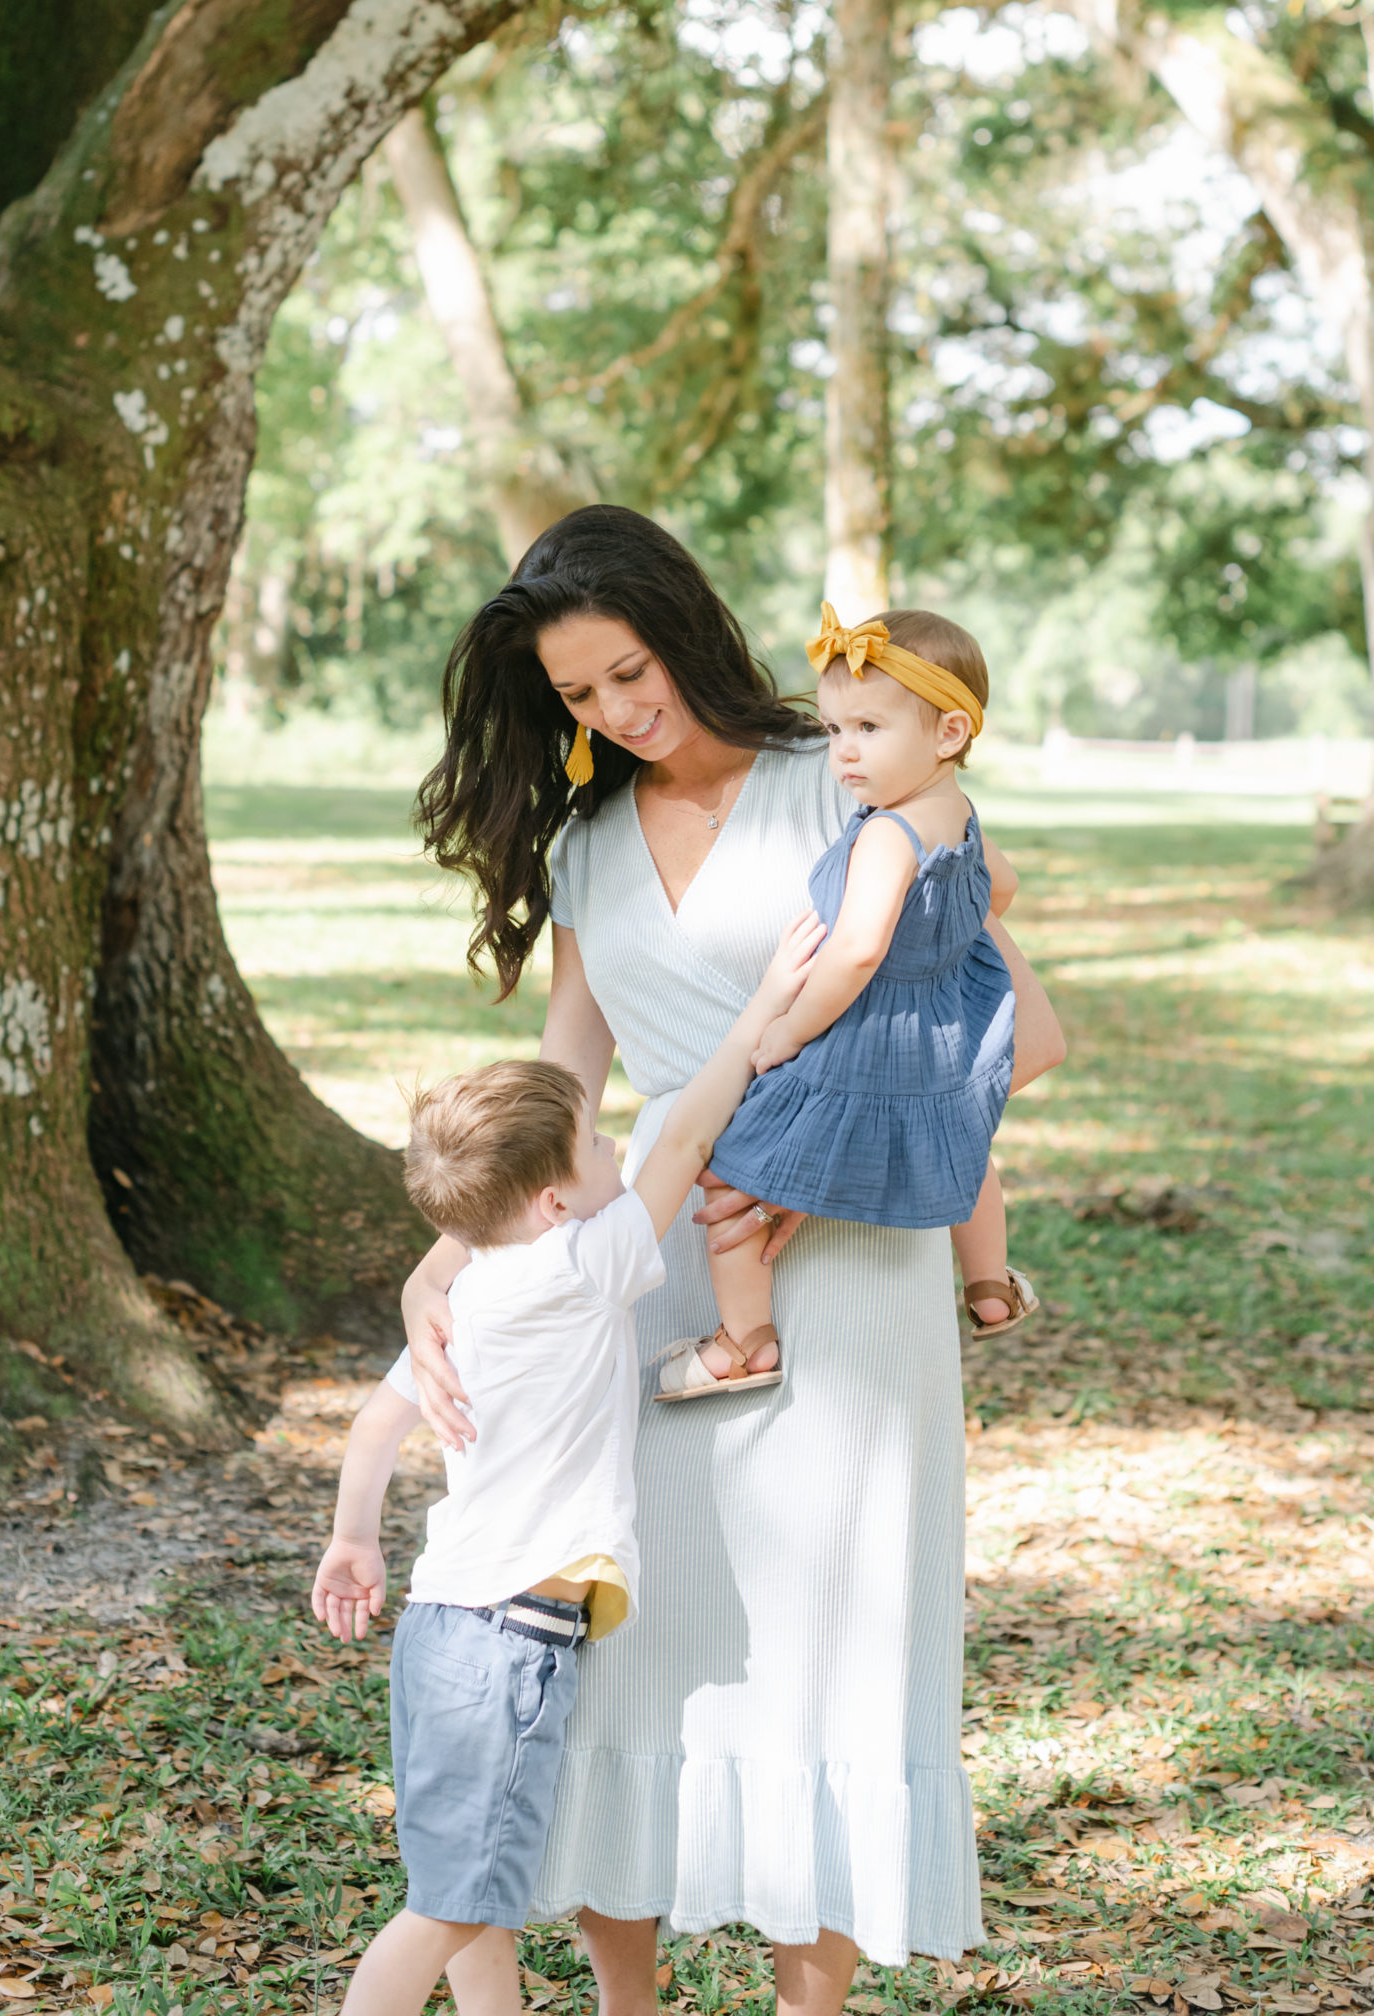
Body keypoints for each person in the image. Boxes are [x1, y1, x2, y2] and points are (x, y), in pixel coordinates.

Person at [413, 506, 1066, 1999]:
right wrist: (447, 1256)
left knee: (815, 1658)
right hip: (655, 1265)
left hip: (842, 1267)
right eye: (579, 698)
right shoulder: (585, 845)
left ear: (684, 631)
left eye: (632, 672)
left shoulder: (850, 776)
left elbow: (1012, 1036)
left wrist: (820, 1170)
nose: (620, 715)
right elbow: (566, 1081)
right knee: (633, 1653)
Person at [309, 913, 824, 2016]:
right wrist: (758, 1009)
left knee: (464, 1888)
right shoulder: (579, 1269)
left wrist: (354, 1537)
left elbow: (370, 1428)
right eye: (595, 1149)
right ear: (551, 1201)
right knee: (448, 1902)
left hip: (439, 1620)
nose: (610, 1159)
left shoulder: (464, 1299)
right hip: (511, 1636)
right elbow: (683, 1140)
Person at [660, 600, 1038, 1403]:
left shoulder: (884, 834)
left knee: (728, 1180)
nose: (842, 752)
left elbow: (857, 950)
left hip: (857, 1038)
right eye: (833, 730)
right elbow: (1000, 887)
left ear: (948, 734)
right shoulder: (957, 815)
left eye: (867, 728)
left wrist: (787, 1030)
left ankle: (743, 1341)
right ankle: (990, 1287)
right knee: (964, 1145)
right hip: (935, 1036)